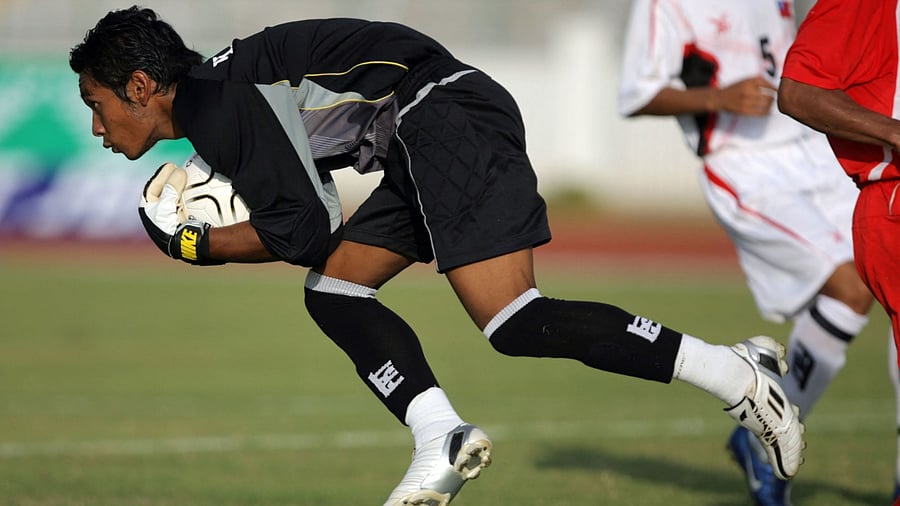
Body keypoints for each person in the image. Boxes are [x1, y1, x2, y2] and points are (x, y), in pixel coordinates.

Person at [70, 7, 805, 505]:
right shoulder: (219, 93)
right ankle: (441, 436)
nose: (98, 128)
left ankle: (736, 376)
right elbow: (311, 209)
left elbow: (305, 230)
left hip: (438, 113)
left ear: (140, 86)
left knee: (513, 320)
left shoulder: (217, 103)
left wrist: (193, 243)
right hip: (422, 124)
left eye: (97, 105)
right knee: (334, 291)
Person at [617, 1, 896, 505]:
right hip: (743, 163)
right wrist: (718, 96)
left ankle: (772, 433)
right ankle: (767, 435)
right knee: (851, 285)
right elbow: (637, 92)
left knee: (881, 289)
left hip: (813, 150)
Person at [779, 0, 900, 503]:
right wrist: (895, 132)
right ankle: (771, 422)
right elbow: (798, 90)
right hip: (892, 195)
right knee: (847, 292)